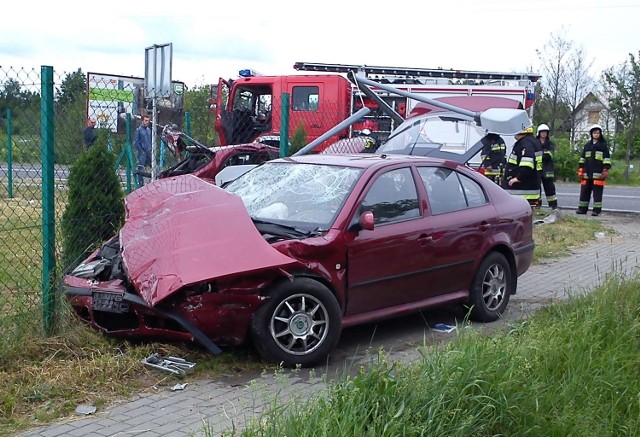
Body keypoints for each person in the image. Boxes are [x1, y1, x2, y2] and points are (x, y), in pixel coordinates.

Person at [576, 124, 611, 216]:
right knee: (584, 192)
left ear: (600, 134)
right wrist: (581, 169)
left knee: (597, 193)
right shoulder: (587, 145)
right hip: (587, 174)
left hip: (598, 175)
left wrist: (605, 170)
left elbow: (606, 159)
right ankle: (582, 209)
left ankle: (596, 210)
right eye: (594, 133)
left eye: (598, 133)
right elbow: (582, 158)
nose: (596, 134)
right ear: (591, 134)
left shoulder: (603, 146)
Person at [502, 126, 541, 206]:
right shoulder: (533, 141)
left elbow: (527, 164)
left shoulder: (525, 143)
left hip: (521, 189)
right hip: (531, 186)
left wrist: (518, 178)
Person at [536, 124, 558, 209]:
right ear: (539, 133)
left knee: (550, 188)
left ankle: (553, 205)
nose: (544, 134)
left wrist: (540, 155)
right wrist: (543, 154)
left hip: (547, 170)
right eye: (542, 132)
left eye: (545, 132)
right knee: (537, 188)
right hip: (537, 169)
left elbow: (550, 155)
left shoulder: (550, 144)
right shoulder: (535, 143)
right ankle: (537, 205)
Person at [134, 114, 152, 187]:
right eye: (146, 120)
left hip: (149, 151)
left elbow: (150, 141)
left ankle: (154, 181)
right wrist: (141, 151)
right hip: (142, 152)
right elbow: (136, 142)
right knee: (141, 168)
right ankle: (141, 184)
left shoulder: (149, 130)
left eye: (148, 121)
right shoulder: (138, 130)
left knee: (154, 167)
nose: (147, 122)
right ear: (142, 121)